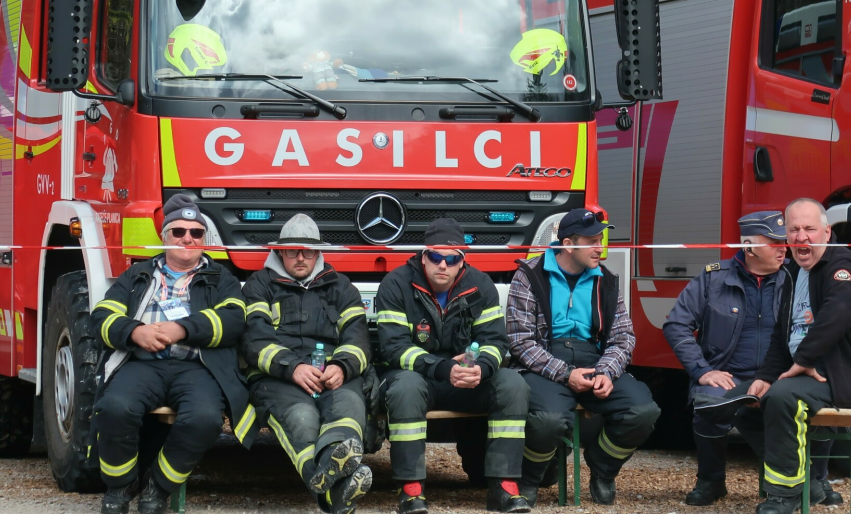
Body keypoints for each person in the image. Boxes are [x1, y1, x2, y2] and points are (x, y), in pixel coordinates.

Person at [704, 198, 851, 514]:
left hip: (841, 376)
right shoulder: (793, 273)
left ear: (826, 230)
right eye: (794, 230)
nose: (801, 237)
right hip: (802, 371)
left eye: (809, 228)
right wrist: (764, 377)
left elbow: (835, 316)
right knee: (738, 403)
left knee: (782, 397)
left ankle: (784, 496)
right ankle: (807, 481)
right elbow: (781, 340)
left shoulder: (845, 266)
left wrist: (804, 360)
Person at [88, 194, 256, 514]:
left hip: (197, 367)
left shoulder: (221, 279)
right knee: (114, 408)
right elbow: (102, 316)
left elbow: (235, 318)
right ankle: (120, 487)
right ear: (164, 237)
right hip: (142, 364)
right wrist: (135, 332)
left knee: (205, 420)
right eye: (178, 232)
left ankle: (157, 487)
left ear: (204, 240)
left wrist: (185, 329)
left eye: (195, 233)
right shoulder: (138, 274)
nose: (187, 238)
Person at [663, 211, 841, 506]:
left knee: (821, 403)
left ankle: (817, 478)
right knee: (709, 402)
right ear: (748, 247)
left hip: (782, 376)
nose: (784, 247)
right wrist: (703, 370)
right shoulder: (713, 279)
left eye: (783, 241)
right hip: (728, 375)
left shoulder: (798, 280)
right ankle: (711, 480)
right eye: (773, 242)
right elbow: (676, 325)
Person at [376, 218, 531, 514]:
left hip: (466, 378)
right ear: (423, 256)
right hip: (416, 376)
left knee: (512, 384)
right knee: (406, 388)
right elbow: (393, 348)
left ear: (462, 260)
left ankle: (504, 487)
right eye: (435, 257)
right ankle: (410, 489)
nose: (443, 265)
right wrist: (442, 367)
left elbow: (495, 341)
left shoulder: (480, 284)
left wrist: (481, 369)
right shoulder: (396, 283)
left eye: (452, 258)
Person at [507, 209, 661, 506]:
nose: (600, 248)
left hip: (594, 359)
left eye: (601, 239)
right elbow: (521, 342)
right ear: (568, 243)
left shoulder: (607, 280)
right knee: (549, 421)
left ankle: (602, 469)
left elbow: (623, 337)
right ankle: (530, 478)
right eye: (592, 241)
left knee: (643, 411)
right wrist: (566, 374)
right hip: (543, 363)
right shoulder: (529, 275)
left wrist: (606, 371)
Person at [242, 214, 373, 514]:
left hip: (331, 373)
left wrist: (341, 365)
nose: (301, 258)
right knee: (301, 418)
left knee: (348, 408)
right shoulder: (259, 285)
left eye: (308, 251)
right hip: (277, 377)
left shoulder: (342, 287)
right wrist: (292, 368)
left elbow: (358, 339)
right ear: (278, 251)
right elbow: (254, 341)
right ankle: (332, 492)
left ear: (319, 252)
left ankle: (332, 478)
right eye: (292, 251)